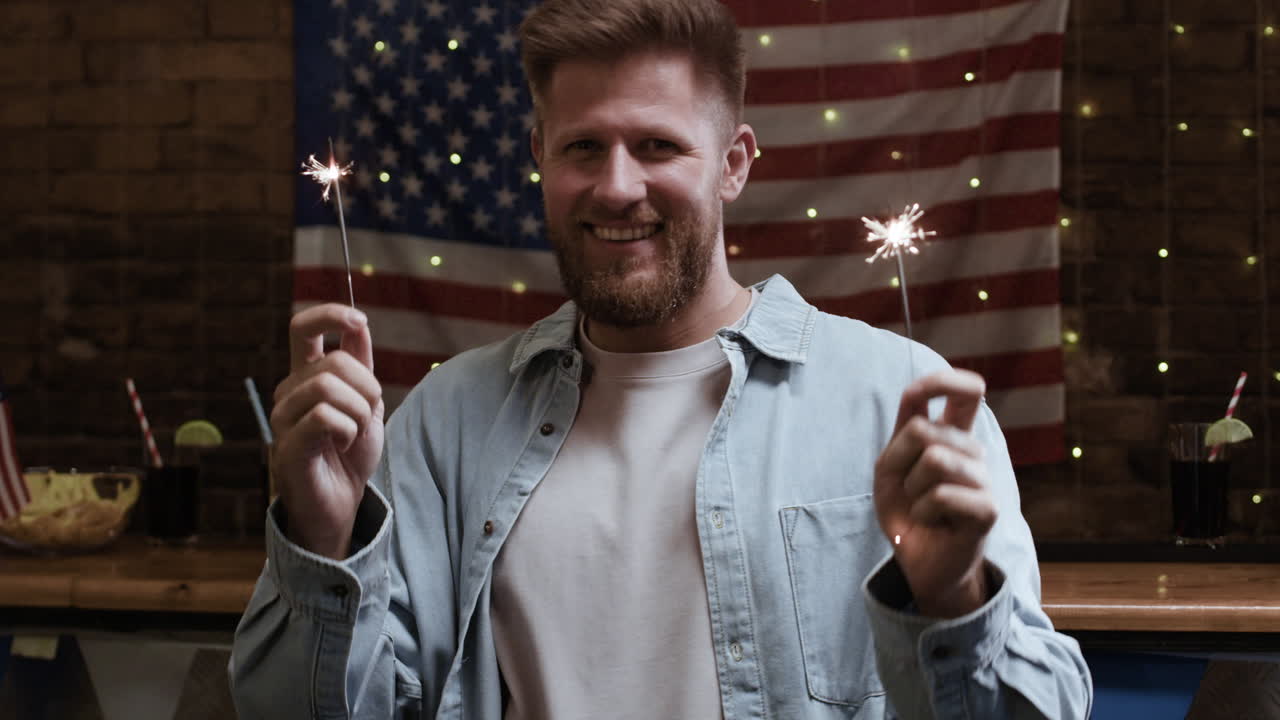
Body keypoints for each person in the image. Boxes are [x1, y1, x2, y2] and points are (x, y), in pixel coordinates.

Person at [231, 0, 1093, 717]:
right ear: (539, 158)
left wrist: (952, 598)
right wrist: (320, 539)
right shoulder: (443, 421)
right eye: (581, 147)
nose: (615, 187)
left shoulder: (901, 400)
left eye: (657, 146)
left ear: (734, 164)